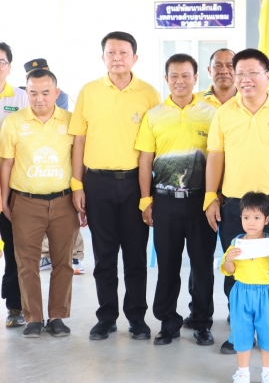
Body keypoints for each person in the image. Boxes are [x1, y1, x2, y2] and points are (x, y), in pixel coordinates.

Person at [68, 31, 161, 340]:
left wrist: (149, 195)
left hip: (136, 184)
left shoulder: (149, 94)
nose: (117, 58)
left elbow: (155, 145)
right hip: (97, 183)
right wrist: (77, 184)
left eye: (123, 53)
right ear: (103, 57)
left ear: (135, 58)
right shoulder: (89, 91)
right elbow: (79, 141)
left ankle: (137, 318)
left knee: (135, 257)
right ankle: (106, 317)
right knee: (104, 256)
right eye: (111, 52)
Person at [205, 48, 269, 356]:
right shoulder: (224, 113)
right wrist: (210, 196)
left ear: (268, 76)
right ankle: (240, 332)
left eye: (253, 72)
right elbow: (216, 156)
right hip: (234, 204)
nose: (245, 79)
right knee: (236, 266)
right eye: (240, 73)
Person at [135, 53, 217, 346]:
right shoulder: (154, 115)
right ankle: (168, 323)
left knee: (202, 266)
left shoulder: (211, 114)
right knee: (167, 266)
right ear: (166, 79)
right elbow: (145, 160)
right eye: (174, 76)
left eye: (185, 75)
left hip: (201, 203)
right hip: (165, 202)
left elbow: (219, 158)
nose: (180, 81)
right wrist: (145, 200)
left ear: (196, 78)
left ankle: (202, 322)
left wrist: (214, 198)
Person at [0, 69, 79, 338]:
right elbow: (6, 164)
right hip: (26, 201)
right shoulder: (13, 122)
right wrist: (4, 200)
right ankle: (33, 317)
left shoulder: (71, 121)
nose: (39, 98)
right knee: (26, 263)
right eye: (33, 93)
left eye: (45, 92)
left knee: (63, 262)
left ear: (57, 93)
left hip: (63, 201)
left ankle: (57, 317)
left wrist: (80, 194)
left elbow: (79, 161)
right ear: (27, 93)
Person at [183, 48, 237, 330]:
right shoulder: (195, 103)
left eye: (230, 65)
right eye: (218, 65)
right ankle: (199, 313)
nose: (224, 70)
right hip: (202, 194)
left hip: (238, 193)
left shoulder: (247, 100)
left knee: (237, 256)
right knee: (200, 258)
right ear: (208, 71)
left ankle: (237, 312)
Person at [21, 58, 85, 274]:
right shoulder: (26, 95)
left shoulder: (61, 96)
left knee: (67, 221)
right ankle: (46, 256)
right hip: (33, 167)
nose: (40, 97)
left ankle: (75, 256)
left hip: (59, 164)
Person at [221, 192, 269, 383]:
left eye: (257, 218)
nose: (250, 223)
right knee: (242, 333)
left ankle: (268, 372)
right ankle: (242, 372)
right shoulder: (236, 244)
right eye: (246, 217)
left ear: (267, 220)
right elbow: (229, 271)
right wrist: (229, 259)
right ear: (240, 218)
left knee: (268, 333)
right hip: (241, 293)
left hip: (267, 294)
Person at [0, 42, 28, 328]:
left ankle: (15, 306)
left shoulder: (21, 98)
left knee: (14, 249)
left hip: (11, 187)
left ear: (9, 66)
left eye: (1, 61)